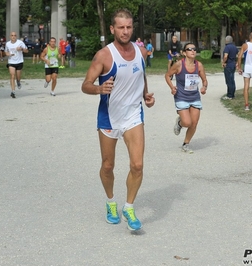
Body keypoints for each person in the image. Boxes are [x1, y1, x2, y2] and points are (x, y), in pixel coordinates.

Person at [81, 8, 155, 231]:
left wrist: (145, 95)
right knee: (107, 166)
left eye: (129, 27)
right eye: (121, 27)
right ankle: (111, 202)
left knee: (138, 165)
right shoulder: (104, 55)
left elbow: (141, 75)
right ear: (112, 29)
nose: (125, 31)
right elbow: (85, 85)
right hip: (109, 117)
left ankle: (129, 207)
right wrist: (99, 89)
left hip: (133, 115)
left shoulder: (141, 52)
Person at [165, 43, 208, 154]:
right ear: (184, 53)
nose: (193, 51)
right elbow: (167, 75)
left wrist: (204, 87)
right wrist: (172, 87)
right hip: (181, 96)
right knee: (187, 122)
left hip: (194, 96)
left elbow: (204, 80)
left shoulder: (199, 65)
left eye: (194, 49)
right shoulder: (179, 64)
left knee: (194, 123)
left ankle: (186, 144)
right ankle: (180, 123)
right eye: (190, 49)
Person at [5, 31, 29, 98]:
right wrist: (8, 54)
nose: (13, 37)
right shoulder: (7, 44)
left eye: (15, 35)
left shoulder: (20, 43)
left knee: (18, 76)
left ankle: (18, 81)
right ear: (10, 36)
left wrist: (21, 49)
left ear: (16, 36)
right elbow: (5, 52)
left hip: (19, 62)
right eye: (12, 35)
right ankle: (13, 91)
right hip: (11, 62)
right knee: (12, 76)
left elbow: (27, 51)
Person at [222, 35, 238, 99]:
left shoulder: (227, 47)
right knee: (232, 79)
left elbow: (226, 56)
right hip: (233, 64)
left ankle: (229, 95)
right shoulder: (234, 47)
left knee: (228, 80)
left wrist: (223, 62)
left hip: (228, 65)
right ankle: (232, 94)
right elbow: (238, 55)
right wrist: (236, 62)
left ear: (226, 40)